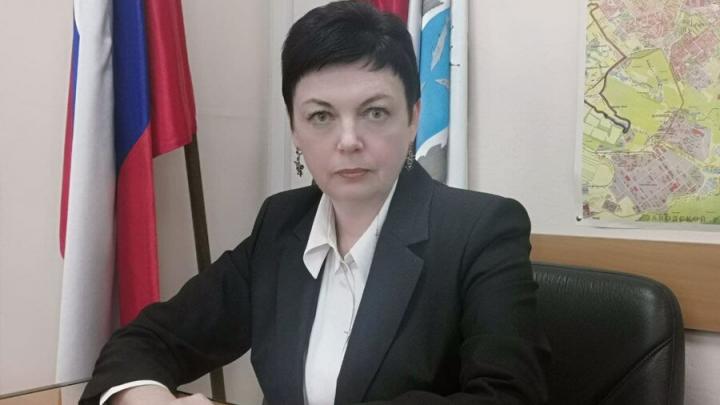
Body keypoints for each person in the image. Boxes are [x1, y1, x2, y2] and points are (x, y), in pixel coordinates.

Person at [80, 1, 550, 404]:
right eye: (321, 116)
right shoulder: (282, 224)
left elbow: (510, 396)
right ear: (294, 128)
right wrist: (144, 397)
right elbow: (149, 340)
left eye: (375, 112)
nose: (348, 140)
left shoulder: (481, 230)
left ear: (413, 118)